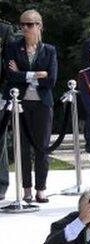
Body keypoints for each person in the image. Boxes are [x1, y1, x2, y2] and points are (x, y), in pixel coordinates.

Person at [3, 9, 58, 204]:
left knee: (42, 148)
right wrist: (35, 75)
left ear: (40, 26)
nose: (24, 28)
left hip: (42, 104)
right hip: (21, 105)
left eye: (29, 24)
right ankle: (26, 189)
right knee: (23, 148)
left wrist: (23, 74)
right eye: (22, 24)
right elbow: (10, 76)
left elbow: (51, 80)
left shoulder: (49, 50)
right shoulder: (12, 47)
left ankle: (41, 189)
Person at [0, 19, 15, 203]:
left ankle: (1, 184)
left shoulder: (4, 29)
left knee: (0, 141)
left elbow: (9, 63)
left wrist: (4, 94)